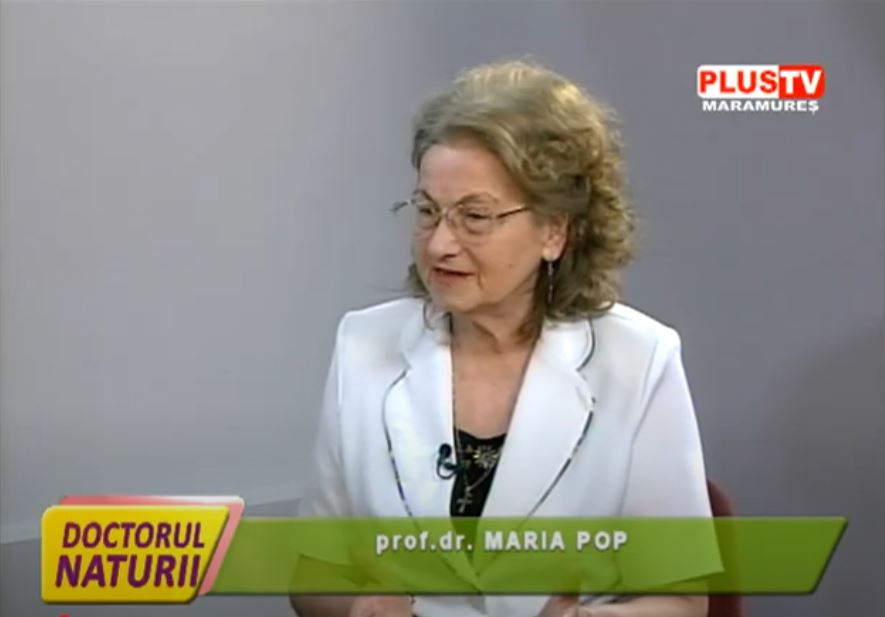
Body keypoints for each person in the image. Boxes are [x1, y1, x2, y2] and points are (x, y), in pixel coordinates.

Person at [290, 59, 721, 617]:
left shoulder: (638, 360)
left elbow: (682, 599)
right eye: (428, 211)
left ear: (554, 230)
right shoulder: (363, 344)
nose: (440, 244)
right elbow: (313, 574)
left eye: (475, 216)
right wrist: (358, 608)